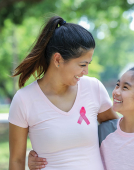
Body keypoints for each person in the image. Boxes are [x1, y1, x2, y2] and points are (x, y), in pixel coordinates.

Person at [8, 16, 118, 170]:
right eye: (82, 64)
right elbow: (16, 161)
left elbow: (118, 132)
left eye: (88, 64)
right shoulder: (24, 100)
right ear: (58, 59)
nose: (86, 71)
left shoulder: (94, 88)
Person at [29, 66, 134, 170]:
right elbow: (74, 152)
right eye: (118, 85)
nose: (116, 92)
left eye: (125, 87)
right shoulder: (104, 130)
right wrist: (37, 160)